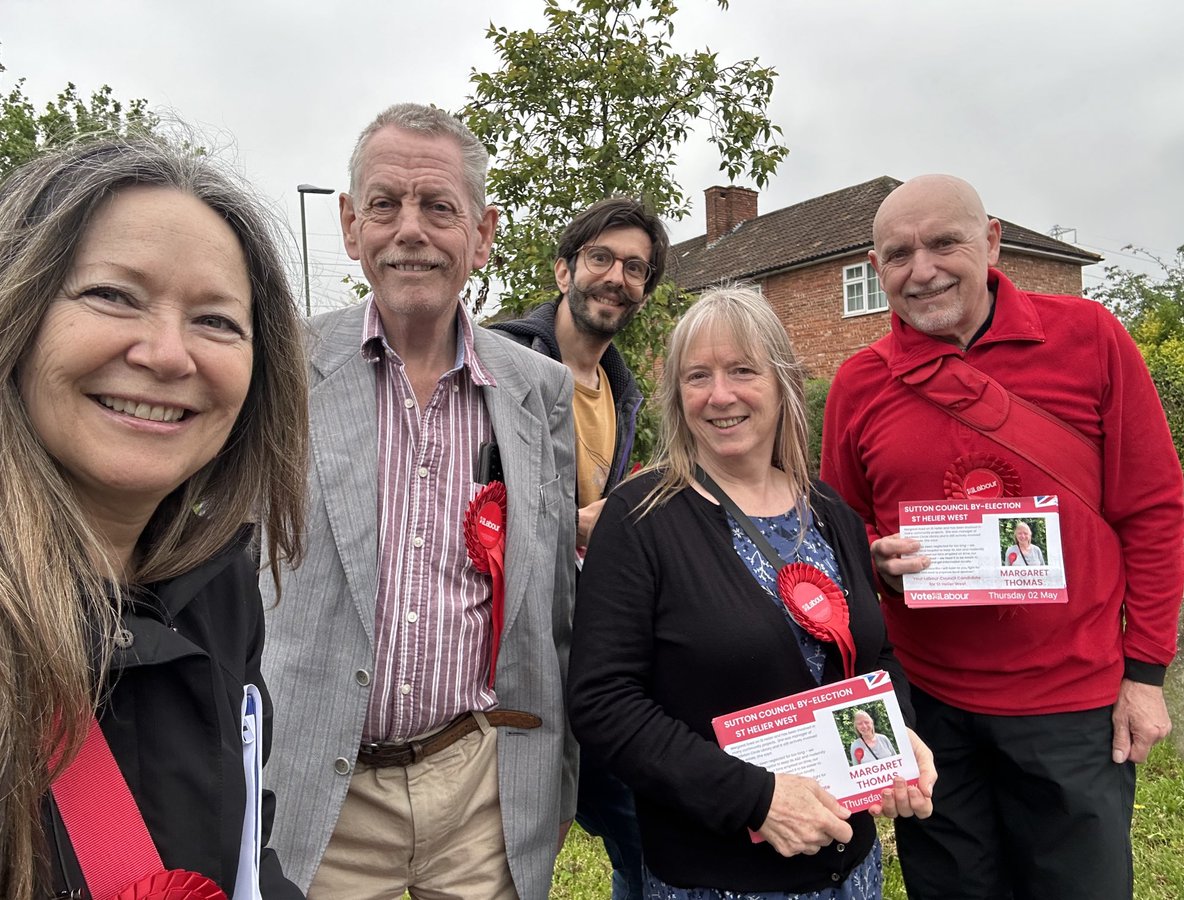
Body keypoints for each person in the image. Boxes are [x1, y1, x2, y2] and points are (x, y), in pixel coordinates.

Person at [820, 174, 1184, 900]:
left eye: (944, 243)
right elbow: (841, 528)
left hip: (1073, 703)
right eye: (898, 255)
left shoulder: (1089, 337)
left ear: (990, 242)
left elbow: (1151, 510)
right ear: (876, 267)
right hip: (929, 703)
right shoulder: (859, 383)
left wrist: (1144, 678)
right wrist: (873, 560)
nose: (921, 270)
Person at [261, 103, 577, 900]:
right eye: (385, 204)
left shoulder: (539, 389)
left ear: (482, 233)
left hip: (477, 787)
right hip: (317, 793)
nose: (411, 229)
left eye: (438, 207)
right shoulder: (279, 371)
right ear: (349, 222)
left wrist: (561, 772)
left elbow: (556, 606)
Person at [0, 138, 308, 899]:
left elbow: (244, 855)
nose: (169, 355)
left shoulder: (219, 588)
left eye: (216, 320)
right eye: (112, 295)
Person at [569, 285, 935, 899]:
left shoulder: (830, 513)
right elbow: (604, 704)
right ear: (676, 396)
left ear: (783, 383)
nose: (720, 395)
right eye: (698, 376)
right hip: (714, 875)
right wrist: (757, 800)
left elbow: (876, 661)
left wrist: (899, 735)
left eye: (742, 370)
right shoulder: (640, 519)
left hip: (848, 867)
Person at [493, 196, 670, 899]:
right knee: (517, 851)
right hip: (510, 662)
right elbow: (457, 509)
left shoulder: (621, 389)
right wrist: (579, 526)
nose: (616, 278)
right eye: (601, 259)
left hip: (593, 651)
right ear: (564, 270)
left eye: (635, 268)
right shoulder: (501, 361)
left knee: (642, 837)